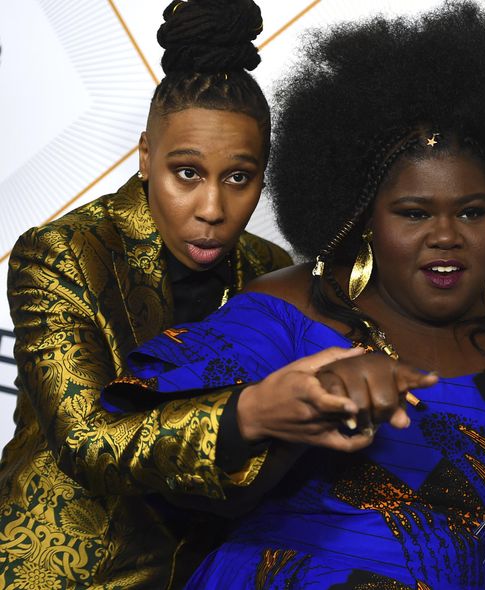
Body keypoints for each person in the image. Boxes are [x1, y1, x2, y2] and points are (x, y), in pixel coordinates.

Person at [102, 2, 485, 588]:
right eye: (413, 213)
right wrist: (282, 409)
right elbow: (141, 445)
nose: (445, 236)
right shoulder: (290, 310)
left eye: (472, 212)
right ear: (365, 219)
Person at [0, 1, 296, 587]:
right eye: (186, 172)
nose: (212, 209)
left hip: (206, 571)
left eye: (239, 177)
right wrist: (251, 416)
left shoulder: (271, 269)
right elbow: (88, 441)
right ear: (144, 158)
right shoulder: (63, 253)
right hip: (65, 571)